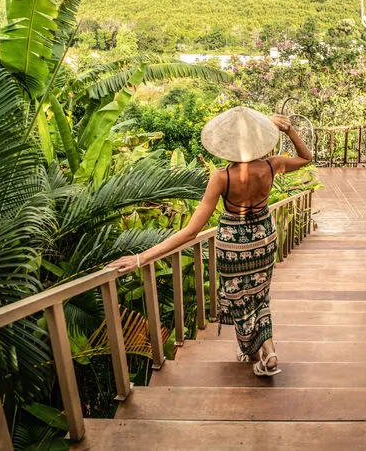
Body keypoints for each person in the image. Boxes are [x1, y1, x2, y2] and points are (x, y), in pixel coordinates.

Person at [108, 107, 312, 377]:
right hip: (263, 239)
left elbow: (192, 231)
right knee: (259, 298)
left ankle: (259, 352)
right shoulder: (272, 165)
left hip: (233, 246)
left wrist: (141, 258)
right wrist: (289, 130)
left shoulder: (222, 177)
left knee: (240, 300)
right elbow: (306, 158)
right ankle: (267, 352)